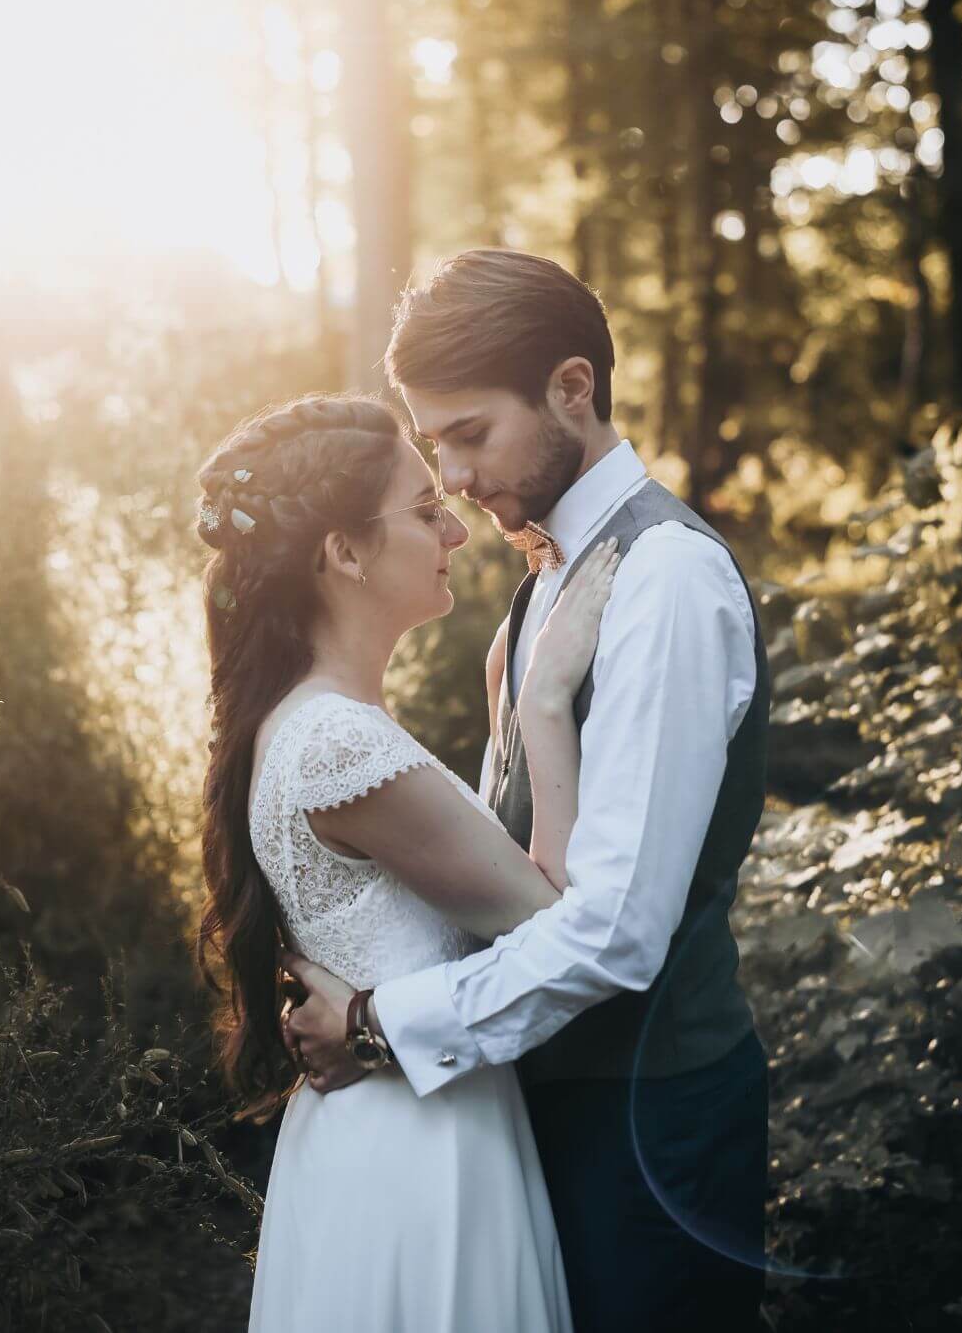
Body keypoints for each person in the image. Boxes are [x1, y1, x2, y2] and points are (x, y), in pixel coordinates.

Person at [281, 249, 772, 1333]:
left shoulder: (666, 581)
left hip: (651, 1124)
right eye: (433, 442)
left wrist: (378, 1023)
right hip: (546, 1108)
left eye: (469, 434)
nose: (449, 476)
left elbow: (616, 933)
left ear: (570, 389)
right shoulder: (547, 578)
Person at [194, 393, 622, 1333]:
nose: (456, 530)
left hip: (395, 1129)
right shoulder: (340, 746)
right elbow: (557, 922)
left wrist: (504, 702)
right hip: (422, 1151)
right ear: (342, 552)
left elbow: (432, 898)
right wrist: (546, 703)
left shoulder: (312, 725)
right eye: (425, 508)